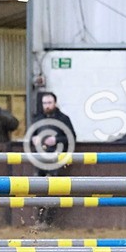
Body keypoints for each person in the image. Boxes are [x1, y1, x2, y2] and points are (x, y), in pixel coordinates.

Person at [25, 91, 76, 228]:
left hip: (56, 159)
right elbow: (29, 136)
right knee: (39, 189)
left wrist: (57, 140)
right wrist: (33, 139)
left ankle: (49, 221)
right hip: (40, 159)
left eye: (49, 103)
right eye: (45, 103)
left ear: (55, 103)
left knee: (54, 189)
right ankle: (40, 220)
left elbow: (71, 138)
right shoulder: (37, 119)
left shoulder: (63, 119)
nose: (47, 105)